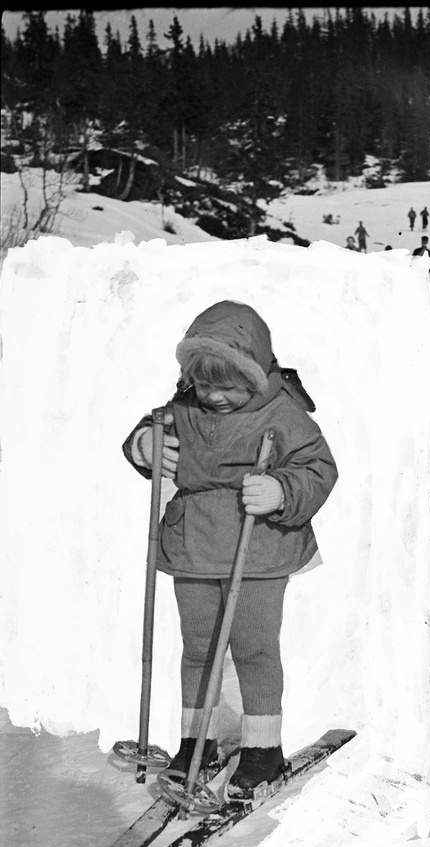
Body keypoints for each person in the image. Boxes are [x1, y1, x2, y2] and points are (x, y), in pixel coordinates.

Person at [122, 301, 338, 799]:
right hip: (193, 544)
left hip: (258, 547)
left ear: (258, 374)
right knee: (198, 648)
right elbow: (147, 431)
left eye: (229, 385)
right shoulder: (184, 408)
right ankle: (196, 741)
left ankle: (263, 748)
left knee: (254, 648)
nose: (215, 396)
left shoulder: (282, 412)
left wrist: (284, 490)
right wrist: (144, 447)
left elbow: (319, 467)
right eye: (203, 384)